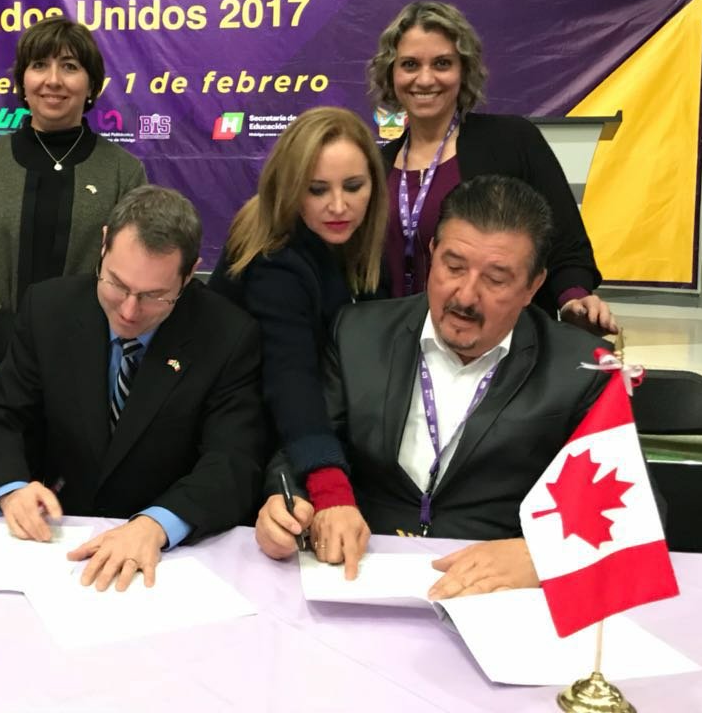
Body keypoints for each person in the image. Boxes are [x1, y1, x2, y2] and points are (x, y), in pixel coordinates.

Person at [255, 175, 616, 599]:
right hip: (361, 572)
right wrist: (287, 506)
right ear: (431, 254)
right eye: (453, 267)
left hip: (496, 591)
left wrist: (542, 556)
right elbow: (302, 447)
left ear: (533, 286)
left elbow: (626, 508)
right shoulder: (359, 333)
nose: (465, 296)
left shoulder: (581, 368)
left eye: (496, 279)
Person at [0, 185, 265, 592]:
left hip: (165, 563)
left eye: (154, 296)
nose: (129, 311)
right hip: (54, 541)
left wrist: (158, 524)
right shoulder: (49, 309)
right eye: (117, 284)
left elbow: (232, 461)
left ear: (189, 273)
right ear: (104, 244)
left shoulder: (227, 335)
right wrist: (12, 489)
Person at [208, 107, 386, 578]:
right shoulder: (275, 261)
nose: (339, 206)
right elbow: (291, 381)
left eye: (353, 186)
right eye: (317, 189)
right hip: (246, 447)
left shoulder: (359, 247)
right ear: (289, 189)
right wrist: (330, 487)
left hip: (301, 436)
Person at [367, 0, 617, 336]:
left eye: (442, 63)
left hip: (499, 346)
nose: (425, 79)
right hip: (399, 346)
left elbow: (565, 243)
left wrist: (573, 298)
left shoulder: (512, 141)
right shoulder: (377, 167)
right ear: (391, 74)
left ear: (464, 71)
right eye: (410, 64)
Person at [0, 15, 147, 404]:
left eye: (69, 67)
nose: (53, 80)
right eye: (39, 65)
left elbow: (131, 273)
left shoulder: (124, 172)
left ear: (91, 84)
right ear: (23, 81)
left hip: (88, 365)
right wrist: (4, 339)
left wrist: (70, 349)